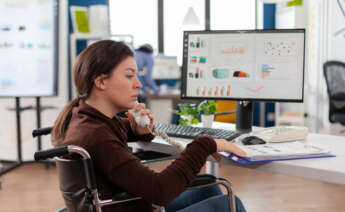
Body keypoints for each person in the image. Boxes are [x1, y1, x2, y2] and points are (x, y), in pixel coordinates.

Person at [51, 40, 247, 212]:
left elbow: (119, 130)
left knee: (209, 188)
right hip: (136, 205)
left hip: (126, 205)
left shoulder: (84, 118)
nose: (139, 84)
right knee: (231, 203)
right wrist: (206, 144)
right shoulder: (97, 136)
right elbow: (160, 190)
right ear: (101, 81)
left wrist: (139, 131)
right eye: (129, 76)